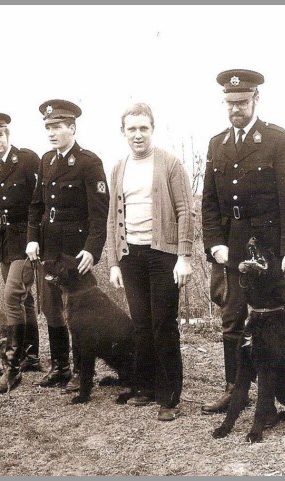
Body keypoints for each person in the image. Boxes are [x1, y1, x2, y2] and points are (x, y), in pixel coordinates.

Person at [201, 69, 285, 414]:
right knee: (231, 320)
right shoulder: (217, 144)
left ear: (255, 99)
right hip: (231, 249)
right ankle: (236, 390)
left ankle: (276, 393)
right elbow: (210, 202)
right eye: (230, 103)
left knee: (271, 323)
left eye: (242, 102)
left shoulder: (278, 140)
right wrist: (215, 245)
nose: (236, 109)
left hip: (269, 250)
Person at [106, 102, 195, 422]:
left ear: (152, 130)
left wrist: (184, 256)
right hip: (131, 257)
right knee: (140, 324)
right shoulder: (118, 167)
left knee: (163, 324)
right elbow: (112, 217)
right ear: (123, 132)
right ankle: (145, 387)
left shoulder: (169, 164)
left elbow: (186, 210)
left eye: (144, 128)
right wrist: (114, 262)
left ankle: (170, 396)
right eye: (132, 129)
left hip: (164, 257)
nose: (138, 134)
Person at [25, 99, 109, 391]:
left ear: (72, 128)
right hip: (50, 247)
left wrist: (92, 250)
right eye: (48, 127)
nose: (51, 132)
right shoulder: (46, 160)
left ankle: (80, 370)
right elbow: (36, 206)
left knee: (81, 310)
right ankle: (59, 366)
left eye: (57, 127)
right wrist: (32, 238)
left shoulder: (89, 162)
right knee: (52, 307)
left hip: (75, 252)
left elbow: (100, 213)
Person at [0, 112, 42, 394]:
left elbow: (38, 202)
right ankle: (32, 355)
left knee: (12, 295)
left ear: (8, 135)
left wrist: (35, 238)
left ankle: (12, 367)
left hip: (28, 238)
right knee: (23, 299)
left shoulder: (27, 159)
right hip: (6, 240)